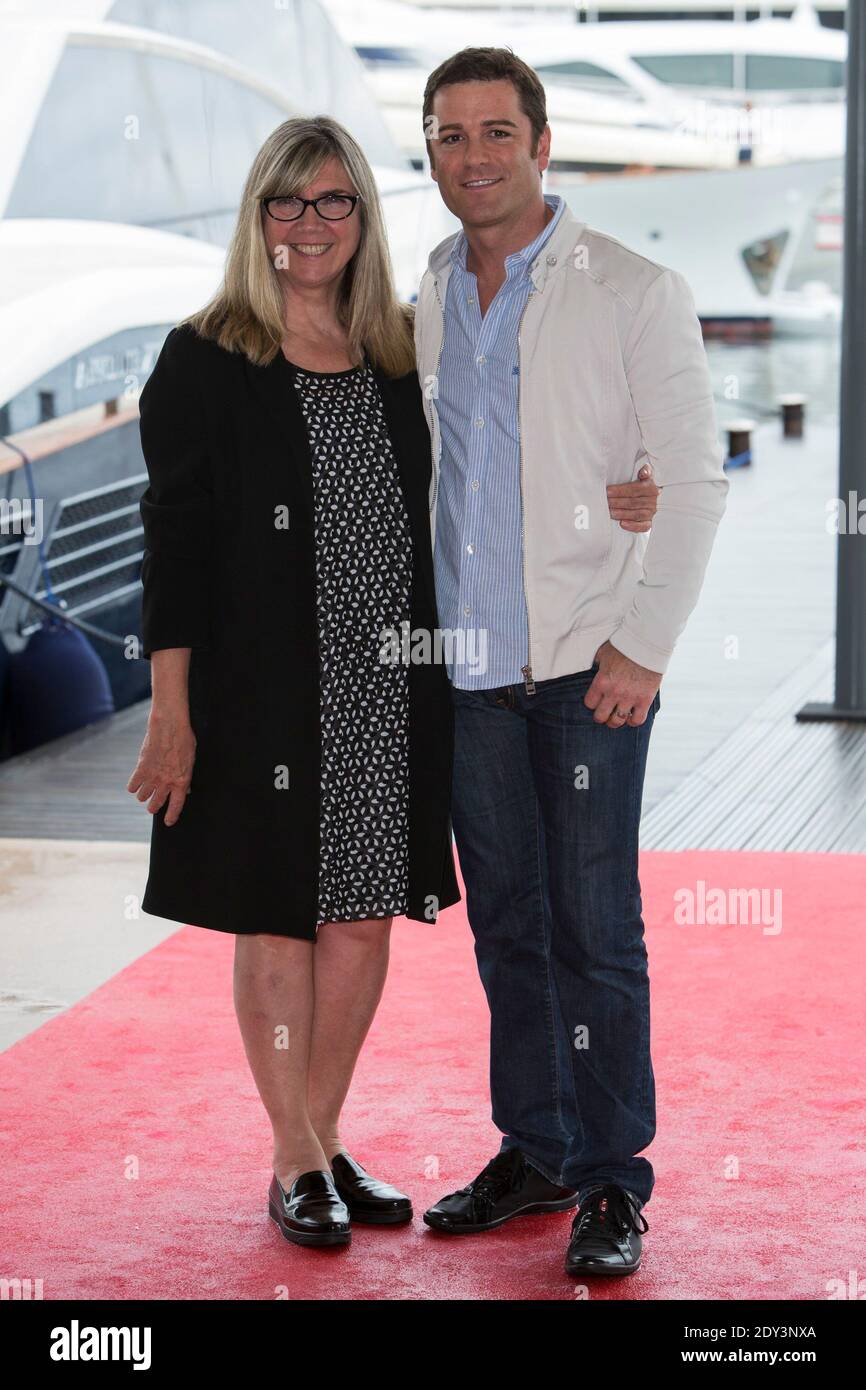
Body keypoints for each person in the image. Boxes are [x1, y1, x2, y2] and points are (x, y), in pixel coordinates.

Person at [126, 113, 663, 1252]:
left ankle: (318, 1138)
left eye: (332, 202)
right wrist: (171, 713)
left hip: (391, 687)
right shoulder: (206, 357)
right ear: (255, 217)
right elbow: (169, 551)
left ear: (363, 218)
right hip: (256, 695)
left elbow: (504, 451)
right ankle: (293, 1158)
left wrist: (633, 485)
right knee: (273, 922)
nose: (308, 224)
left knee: (360, 920)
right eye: (286, 202)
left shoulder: (396, 350)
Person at [413, 50, 729, 1277]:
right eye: (448, 136)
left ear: (542, 144)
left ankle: (610, 1178)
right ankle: (535, 1147)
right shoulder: (434, 284)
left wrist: (641, 645)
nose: (473, 157)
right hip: (468, 667)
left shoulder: (633, 289)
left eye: (496, 132)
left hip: (589, 667)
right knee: (506, 924)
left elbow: (692, 479)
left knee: (593, 926)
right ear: (430, 154)